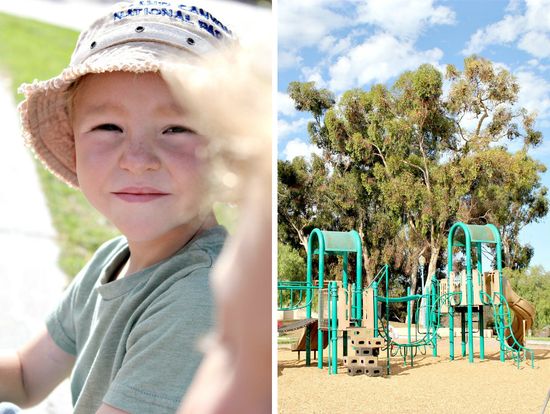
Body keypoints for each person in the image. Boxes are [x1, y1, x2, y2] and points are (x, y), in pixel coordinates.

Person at [0, 2, 244, 413]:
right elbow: (25, 377)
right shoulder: (112, 259)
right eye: (108, 127)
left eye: (176, 128)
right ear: (74, 144)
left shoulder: (197, 299)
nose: (137, 158)